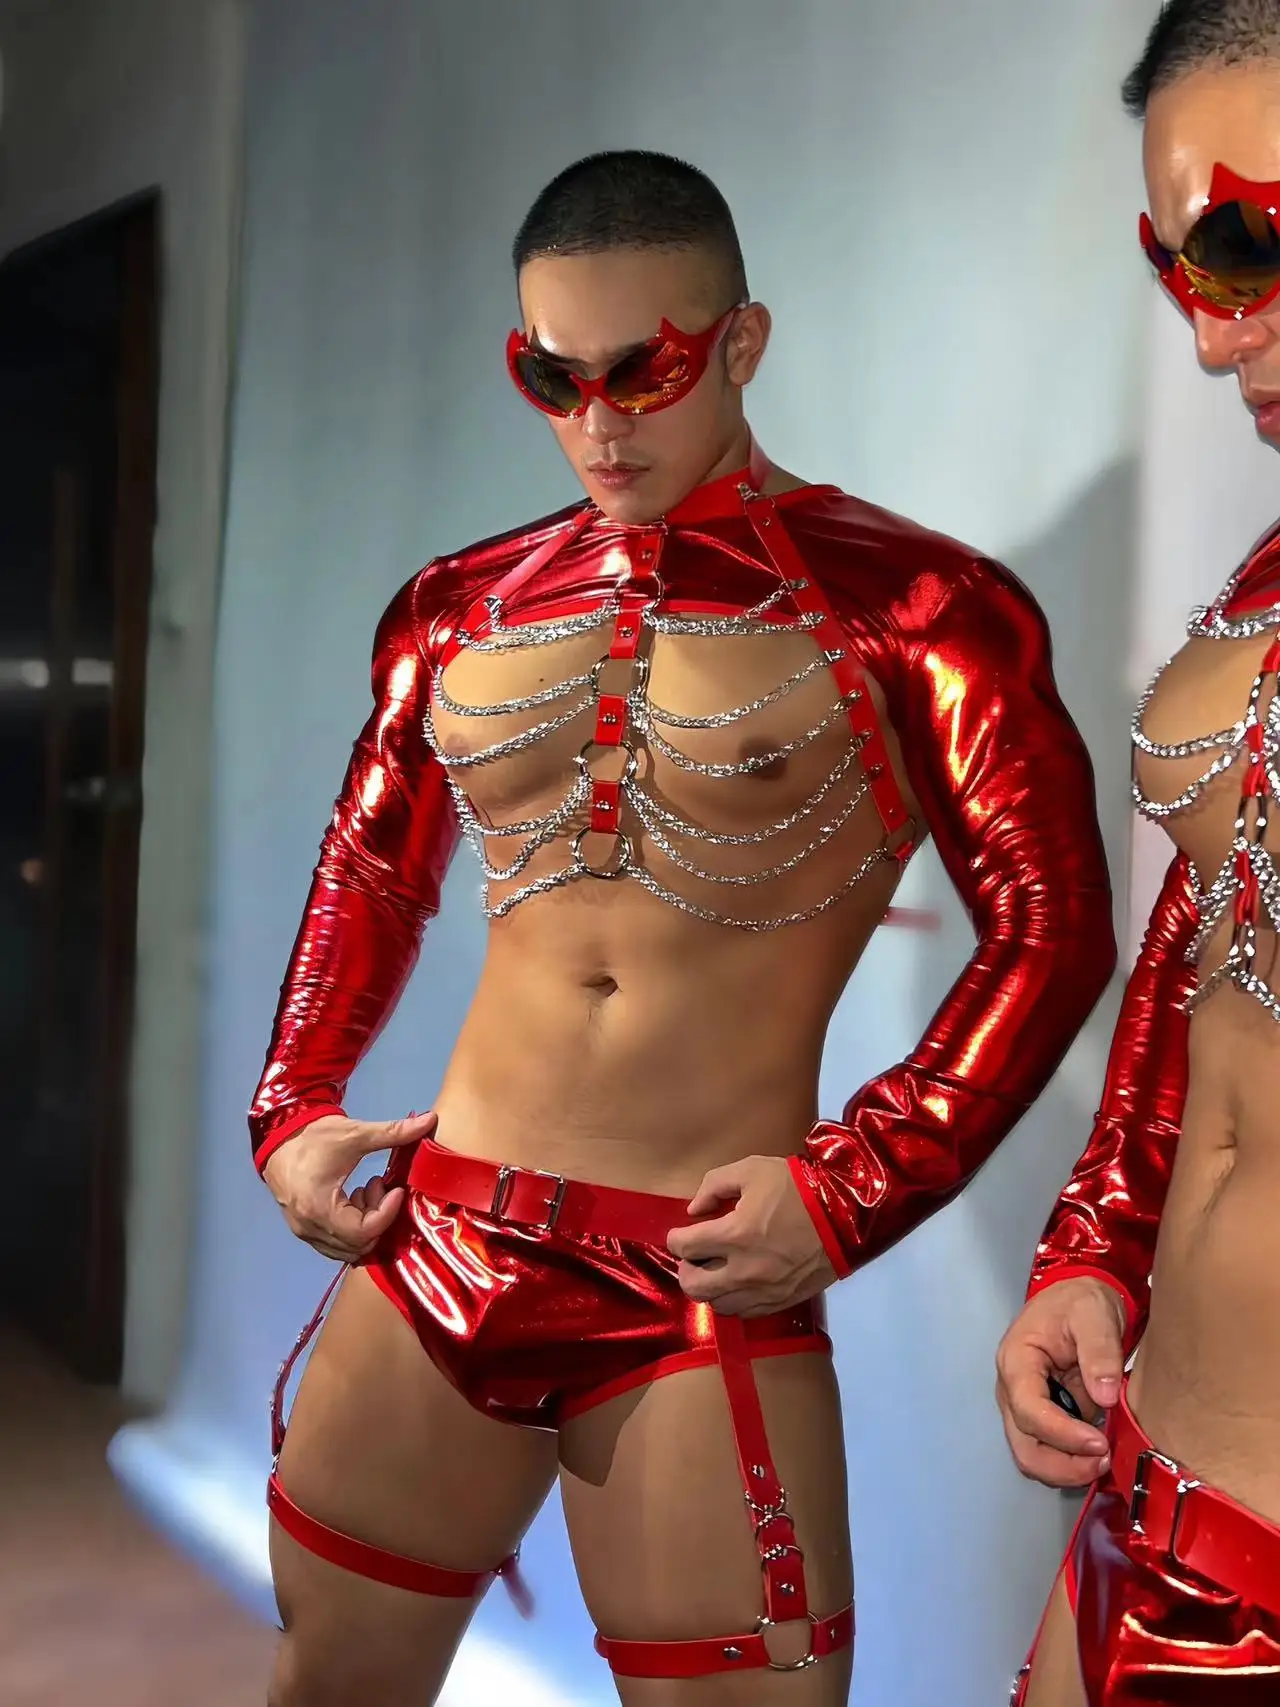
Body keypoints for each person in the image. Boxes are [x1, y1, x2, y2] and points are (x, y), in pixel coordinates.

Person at [253, 148, 1115, 1707]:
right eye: (552, 377)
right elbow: (371, 866)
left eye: (640, 371)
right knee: (328, 1684)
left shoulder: (919, 607)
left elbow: (1052, 928)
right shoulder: (460, 602)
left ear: (743, 341)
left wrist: (856, 1184)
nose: (598, 423)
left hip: (696, 1275)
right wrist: (291, 1102)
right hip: (436, 1239)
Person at [996, 5, 1280, 1703]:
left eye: (1248, 242)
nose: (1213, 335)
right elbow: (1209, 935)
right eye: (1181, 268)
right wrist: (1096, 1240)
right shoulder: (1268, 575)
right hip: (1152, 1486)